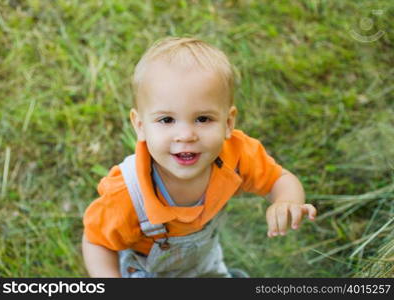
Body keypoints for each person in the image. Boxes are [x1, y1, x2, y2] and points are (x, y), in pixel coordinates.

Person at [82, 37, 317, 278]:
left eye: (203, 119)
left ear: (228, 123)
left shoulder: (235, 155)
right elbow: (97, 242)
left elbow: (279, 179)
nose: (185, 135)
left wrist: (286, 201)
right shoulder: (127, 194)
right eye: (166, 120)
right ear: (140, 126)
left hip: (204, 265)